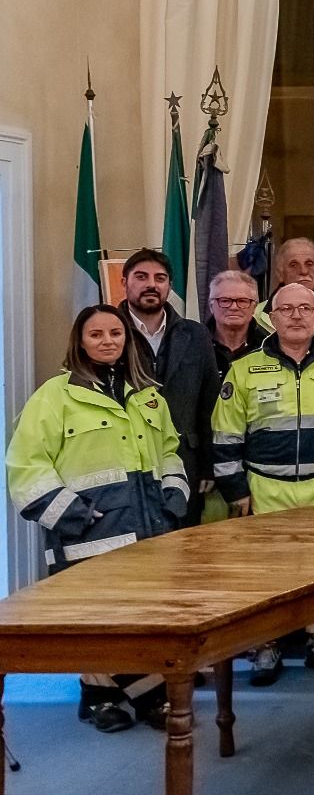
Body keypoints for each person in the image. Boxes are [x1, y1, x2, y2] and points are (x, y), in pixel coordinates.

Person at [7, 305, 189, 732]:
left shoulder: (148, 395)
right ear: (80, 341)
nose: (108, 341)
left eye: (116, 333)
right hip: (89, 532)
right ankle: (104, 697)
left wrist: (173, 497)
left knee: (144, 616)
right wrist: (76, 514)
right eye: (96, 334)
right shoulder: (54, 396)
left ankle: (136, 696)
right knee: (98, 619)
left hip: (148, 531)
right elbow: (25, 466)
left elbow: (169, 453)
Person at [213, 283, 314, 685]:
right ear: (271, 316)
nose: (297, 316)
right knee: (268, 571)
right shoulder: (244, 369)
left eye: (306, 308)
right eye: (287, 309)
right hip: (266, 487)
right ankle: (267, 644)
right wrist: (236, 490)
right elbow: (226, 435)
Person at [119, 248, 221, 527]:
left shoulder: (196, 334)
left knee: (181, 551)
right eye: (141, 276)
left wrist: (208, 466)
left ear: (169, 286)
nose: (151, 284)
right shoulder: (109, 332)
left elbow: (209, 404)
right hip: (128, 464)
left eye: (160, 278)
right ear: (124, 281)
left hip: (185, 461)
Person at [252, 237, 314, 344]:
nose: (303, 271)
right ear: (280, 274)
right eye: (293, 265)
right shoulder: (255, 318)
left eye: (309, 264)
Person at [207, 269, 269, 374]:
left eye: (242, 301)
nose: (234, 307)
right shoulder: (193, 345)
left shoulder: (269, 347)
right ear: (211, 306)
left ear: (254, 307)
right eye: (225, 301)